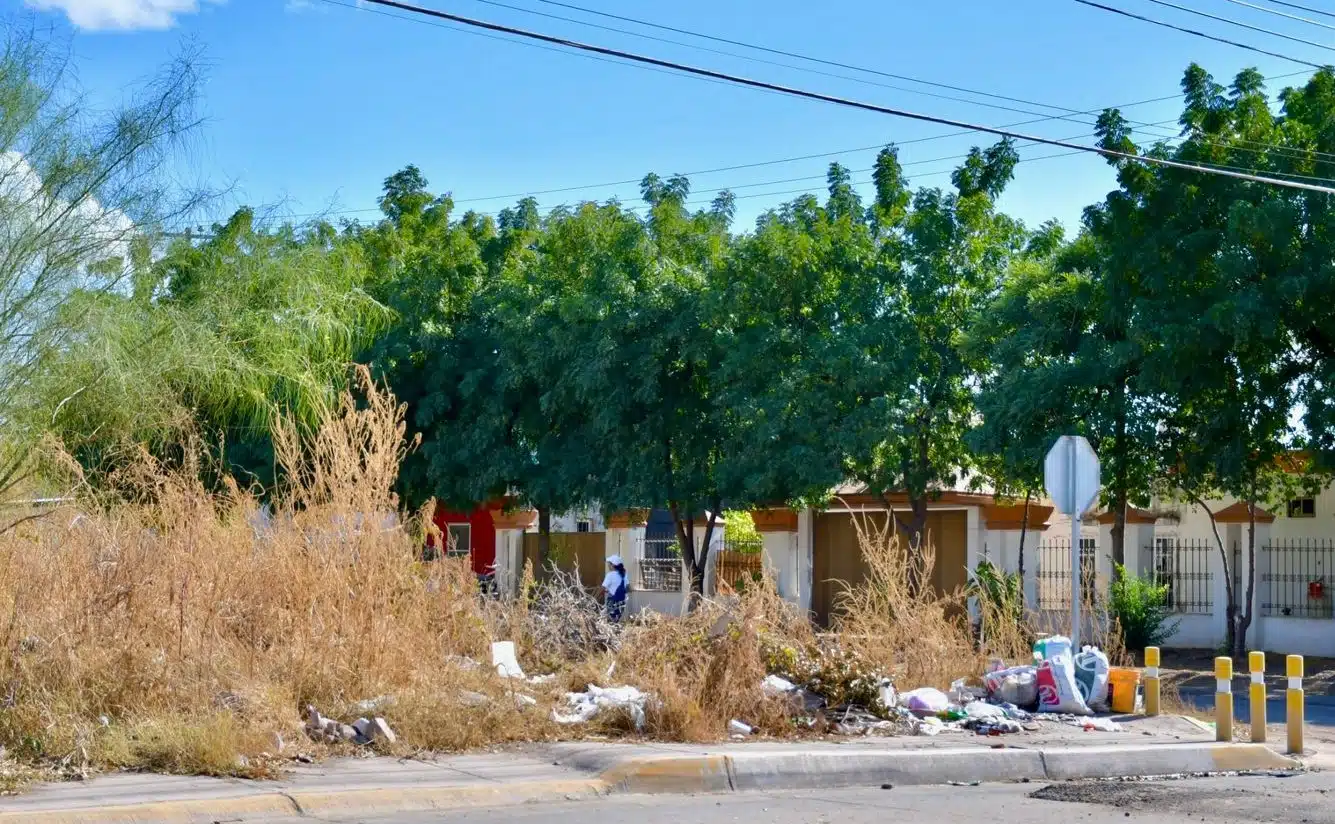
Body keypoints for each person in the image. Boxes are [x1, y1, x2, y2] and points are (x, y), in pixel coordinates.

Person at [601, 555, 628, 623]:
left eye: (609, 563)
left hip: (612, 601)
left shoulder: (610, 575)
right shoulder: (624, 574)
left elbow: (602, 588)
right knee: (616, 620)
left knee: (610, 620)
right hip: (622, 601)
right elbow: (628, 588)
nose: (608, 565)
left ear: (613, 565)